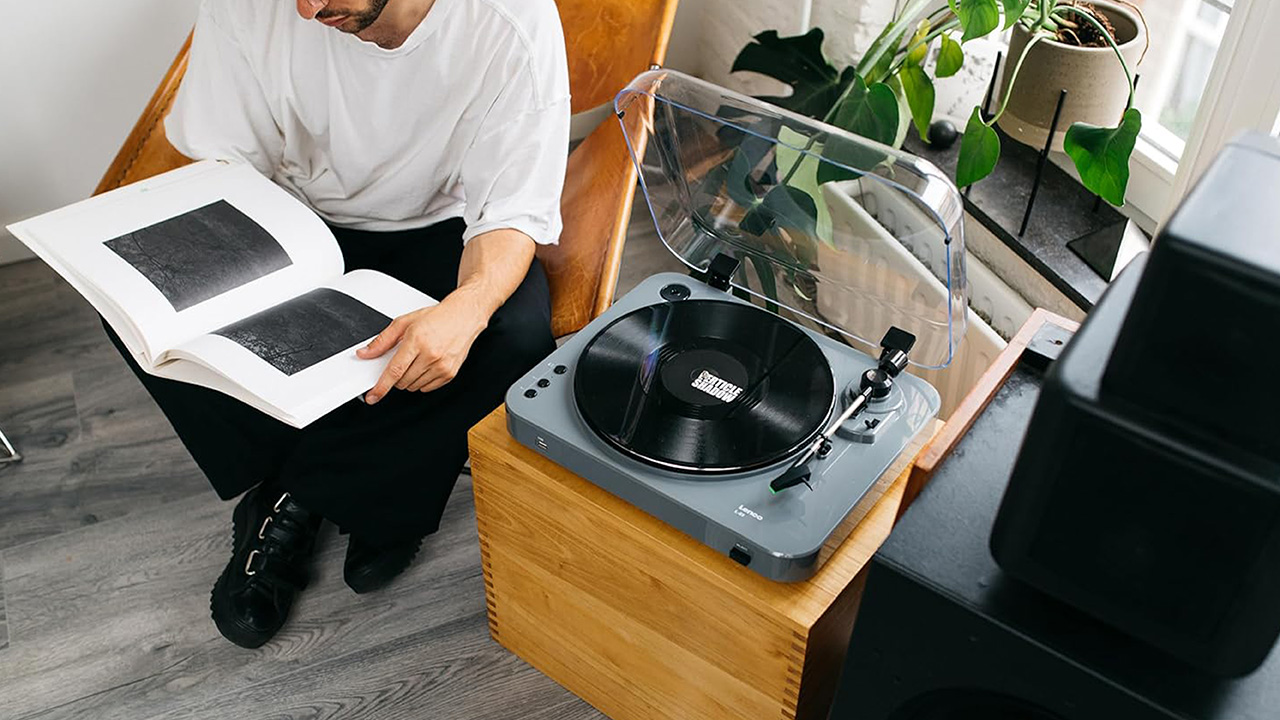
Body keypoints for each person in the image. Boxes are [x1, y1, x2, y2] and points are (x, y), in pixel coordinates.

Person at [103, 0, 570, 648]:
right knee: (133, 306)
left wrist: (466, 307)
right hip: (290, 217)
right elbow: (228, 172)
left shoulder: (510, 20)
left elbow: (512, 209)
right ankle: (372, 485)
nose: (307, 7)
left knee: (514, 340)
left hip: (445, 227)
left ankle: (301, 498)